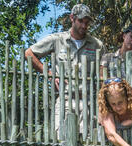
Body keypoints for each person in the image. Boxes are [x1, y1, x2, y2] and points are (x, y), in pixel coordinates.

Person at [25, 4, 106, 135]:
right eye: (80, 21)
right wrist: (49, 74)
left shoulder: (97, 45)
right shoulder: (57, 39)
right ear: (72, 18)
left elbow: (102, 75)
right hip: (65, 100)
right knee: (61, 144)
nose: (84, 26)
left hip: (89, 104)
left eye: (87, 22)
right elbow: (29, 53)